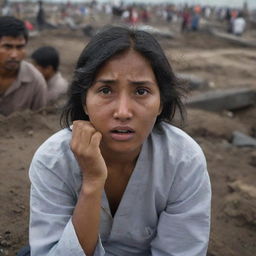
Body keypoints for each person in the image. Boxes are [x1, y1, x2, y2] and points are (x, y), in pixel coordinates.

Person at [28, 25, 211, 256]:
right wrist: (92, 182)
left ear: (161, 102)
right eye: (106, 90)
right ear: (84, 101)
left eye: (141, 91)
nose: (123, 112)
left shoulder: (183, 160)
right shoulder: (54, 159)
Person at [0, 16, 47, 116]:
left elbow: (40, 122)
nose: (14, 55)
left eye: (20, 47)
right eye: (7, 47)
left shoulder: (36, 81)